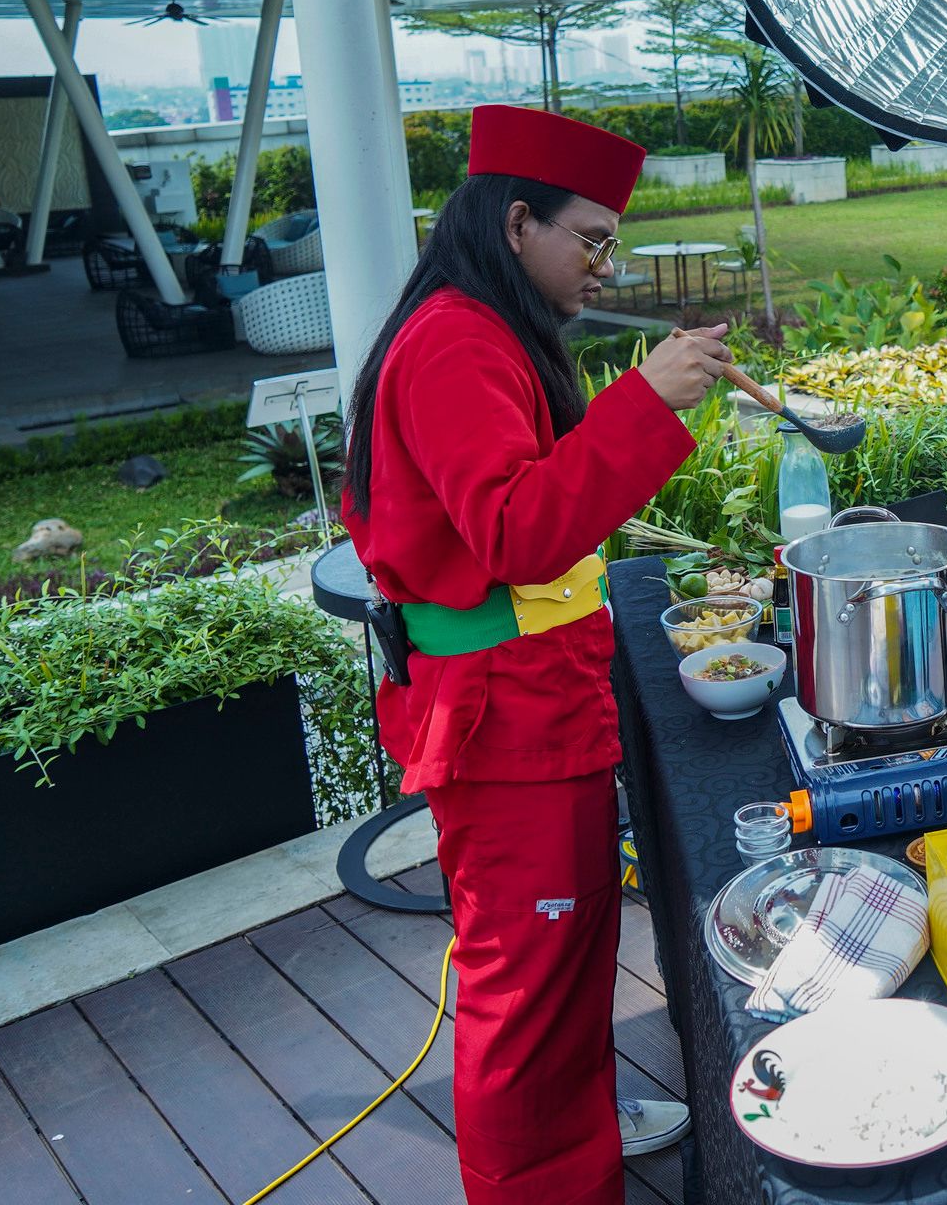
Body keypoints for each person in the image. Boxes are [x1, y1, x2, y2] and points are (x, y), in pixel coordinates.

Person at [342, 105, 733, 1205]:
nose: (602, 265)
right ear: (517, 224)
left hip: (532, 707)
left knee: (561, 974)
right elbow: (516, 530)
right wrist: (645, 401)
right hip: (502, 723)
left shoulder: (485, 327)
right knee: (525, 997)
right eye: (590, 238)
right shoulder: (456, 341)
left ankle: (581, 1133)